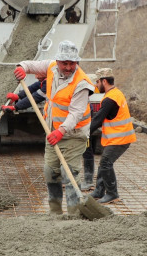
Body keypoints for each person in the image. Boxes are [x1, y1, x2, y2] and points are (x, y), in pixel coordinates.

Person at [13, 40, 94, 216]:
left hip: (74, 134)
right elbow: (31, 65)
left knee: (69, 173)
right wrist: (22, 67)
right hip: (52, 132)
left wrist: (61, 131)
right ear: (57, 61)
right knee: (51, 172)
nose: (68, 67)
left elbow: (75, 113)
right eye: (64, 63)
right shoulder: (50, 67)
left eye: (72, 63)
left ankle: (73, 214)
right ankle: (55, 213)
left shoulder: (82, 83)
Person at [89, 68, 136, 204]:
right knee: (104, 163)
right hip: (118, 137)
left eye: (97, 82)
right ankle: (99, 191)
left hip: (120, 139)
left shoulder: (110, 99)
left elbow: (98, 119)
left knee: (105, 163)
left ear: (104, 81)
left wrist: (84, 134)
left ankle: (112, 194)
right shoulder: (116, 93)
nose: (96, 86)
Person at [79, 73, 100, 191]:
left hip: (84, 129)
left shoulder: (85, 99)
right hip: (82, 129)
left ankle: (88, 181)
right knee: (86, 151)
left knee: (87, 151)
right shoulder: (84, 97)